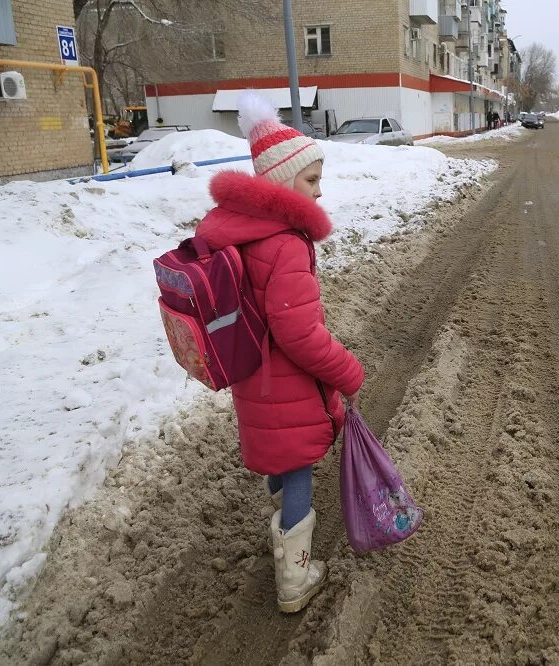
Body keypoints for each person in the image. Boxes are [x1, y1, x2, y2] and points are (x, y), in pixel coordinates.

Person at [194, 92, 364, 614]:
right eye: (310, 180)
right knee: (297, 468)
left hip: (253, 373)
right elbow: (299, 334)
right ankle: (294, 578)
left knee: (279, 454)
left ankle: (282, 535)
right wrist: (348, 371)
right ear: (280, 181)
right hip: (287, 378)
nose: (319, 191)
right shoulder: (285, 242)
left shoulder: (237, 232)